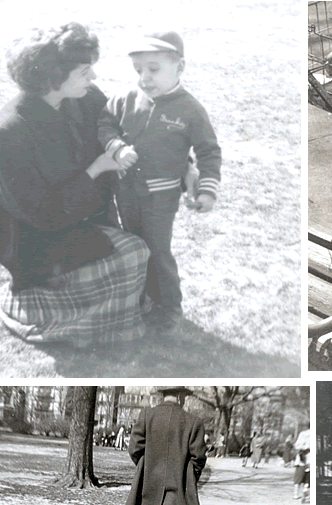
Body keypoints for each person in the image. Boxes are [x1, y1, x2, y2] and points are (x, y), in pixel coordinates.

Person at [0, 23, 150, 348]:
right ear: (53, 77)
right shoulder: (10, 132)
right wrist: (97, 167)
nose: (94, 78)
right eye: (85, 70)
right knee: (133, 254)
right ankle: (37, 309)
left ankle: (101, 308)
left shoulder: (83, 100)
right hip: (36, 242)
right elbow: (43, 215)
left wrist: (184, 164)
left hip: (80, 220)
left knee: (142, 247)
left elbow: (124, 130)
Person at [98, 32, 222, 328]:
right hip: (125, 191)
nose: (145, 78)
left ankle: (170, 308)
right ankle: (142, 297)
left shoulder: (190, 109)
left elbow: (208, 151)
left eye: (153, 69)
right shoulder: (125, 98)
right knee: (133, 245)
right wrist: (116, 147)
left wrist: (207, 190)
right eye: (139, 70)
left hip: (160, 198)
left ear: (179, 67)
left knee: (156, 249)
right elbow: (105, 123)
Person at [119, 387, 207, 505]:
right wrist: (189, 476)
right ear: (180, 396)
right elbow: (198, 457)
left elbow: (134, 448)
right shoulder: (193, 422)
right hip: (178, 481)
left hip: (150, 481)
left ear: (163, 396)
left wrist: (146, 467)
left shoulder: (147, 415)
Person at [293, 429, 311, 501]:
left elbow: (297, 446)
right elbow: (298, 446)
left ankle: (297, 494)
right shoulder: (304, 434)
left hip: (302, 460)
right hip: (304, 459)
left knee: (299, 477)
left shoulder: (302, 434)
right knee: (306, 478)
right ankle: (304, 494)